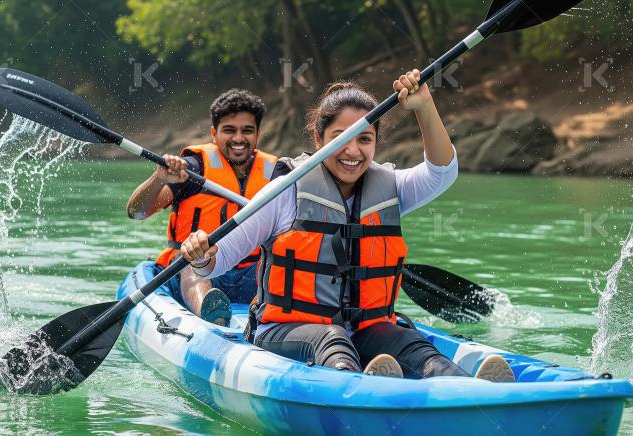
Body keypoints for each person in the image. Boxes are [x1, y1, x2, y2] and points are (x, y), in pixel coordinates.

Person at [178, 71, 515, 382]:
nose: (353, 151)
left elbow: (442, 172)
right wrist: (200, 254)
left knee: (412, 345)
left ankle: (473, 393)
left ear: (376, 143)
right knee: (333, 340)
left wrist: (424, 105)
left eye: (364, 139)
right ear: (318, 137)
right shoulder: (286, 192)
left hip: (364, 327)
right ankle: (366, 394)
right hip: (285, 330)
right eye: (341, 137)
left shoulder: (390, 188)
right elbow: (218, 260)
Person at [127, 89, 278, 326]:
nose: (238, 138)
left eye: (247, 130)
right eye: (229, 130)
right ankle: (211, 312)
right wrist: (159, 179)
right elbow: (137, 212)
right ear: (214, 134)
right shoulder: (193, 169)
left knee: (278, 265)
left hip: (252, 273)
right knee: (193, 265)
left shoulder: (277, 175)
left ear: (258, 134)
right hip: (197, 269)